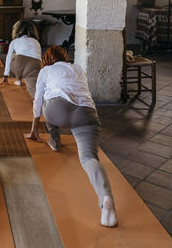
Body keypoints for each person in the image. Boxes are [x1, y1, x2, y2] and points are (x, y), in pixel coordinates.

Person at [26, 46, 117, 227]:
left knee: (46, 98)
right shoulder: (78, 68)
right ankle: (106, 197)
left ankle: (55, 141)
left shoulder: (46, 70)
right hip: (86, 112)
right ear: (65, 57)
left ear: (47, 59)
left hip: (56, 110)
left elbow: (37, 101)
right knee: (89, 158)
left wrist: (34, 129)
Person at [0, 20, 42, 98]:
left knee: (13, 55)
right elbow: (39, 56)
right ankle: (40, 102)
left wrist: (6, 75)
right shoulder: (36, 42)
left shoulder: (14, 41)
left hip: (19, 64)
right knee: (33, 89)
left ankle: (19, 80)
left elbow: (8, 58)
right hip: (35, 65)